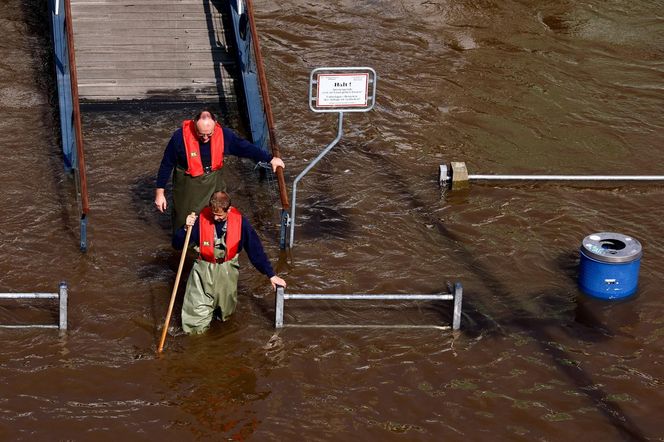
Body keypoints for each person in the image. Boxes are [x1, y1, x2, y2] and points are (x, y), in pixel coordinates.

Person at [173, 191, 287, 334]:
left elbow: (255, 250)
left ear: (229, 209)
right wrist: (185, 228)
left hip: (227, 272)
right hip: (202, 273)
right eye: (213, 214)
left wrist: (271, 275)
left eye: (220, 215)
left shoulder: (241, 223)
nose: (215, 218)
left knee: (225, 318)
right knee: (195, 324)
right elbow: (176, 245)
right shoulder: (199, 221)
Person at [155, 109, 285, 232]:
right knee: (185, 221)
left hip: (214, 181)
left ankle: (214, 242)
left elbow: (244, 147)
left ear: (215, 125)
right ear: (194, 125)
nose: (205, 138)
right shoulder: (179, 138)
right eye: (201, 134)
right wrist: (160, 193)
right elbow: (166, 164)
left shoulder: (224, 135)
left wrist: (269, 159)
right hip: (188, 186)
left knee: (217, 214)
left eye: (209, 134)